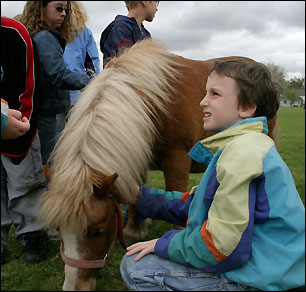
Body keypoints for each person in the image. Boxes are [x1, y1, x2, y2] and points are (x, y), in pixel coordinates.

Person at [120, 60, 305, 291]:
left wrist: (163, 244)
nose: (202, 101)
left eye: (214, 94)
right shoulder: (241, 146)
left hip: (263, 278)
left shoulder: (243, 154)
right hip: (272, 266)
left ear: (247, 107)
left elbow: (223, 246)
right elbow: (201, 205)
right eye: (205, 92)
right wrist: (141, 197)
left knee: (138, 268)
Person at [19, 1, 93, 166]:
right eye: (59, 8)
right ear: (41, 8)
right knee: (51, 165)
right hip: (51, 112)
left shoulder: (40, 35)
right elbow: (58, 75)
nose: (64, 14)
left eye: (66, 10)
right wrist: (91, 81)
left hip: (47, 111)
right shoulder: (45, 37)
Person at [1, 16, 48, 265]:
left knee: (25, 185)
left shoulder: (14, 33)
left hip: (19, 126)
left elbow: (29, 87)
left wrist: (22, 127)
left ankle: (32, 234)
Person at [57, 1, 100, 136]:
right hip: (77, 97)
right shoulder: (84, 32)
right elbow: (92, 65)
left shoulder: (46, 30)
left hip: (52, 96)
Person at [100, 1, 159, 68]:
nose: (157, 9)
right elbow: (127, 64)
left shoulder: (146, 34)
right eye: (156, 2)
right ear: (145, 1)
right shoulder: (121, 28)